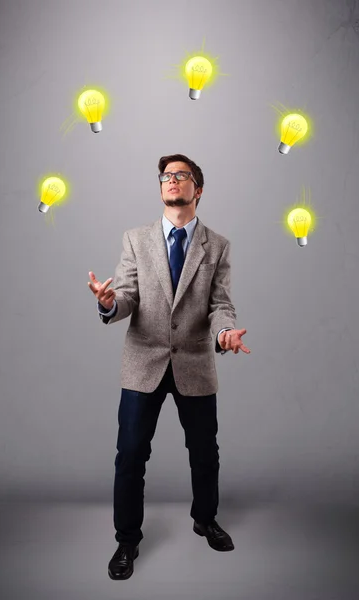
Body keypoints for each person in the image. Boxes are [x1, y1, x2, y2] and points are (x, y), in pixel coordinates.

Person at [87, 153, 250, 581]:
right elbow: (126, 296)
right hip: (144, 362)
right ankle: (127, 538)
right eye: (166, 176)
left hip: (195, 361)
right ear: (161, 188)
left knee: (204, 453)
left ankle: (205, 519)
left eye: (182, 175)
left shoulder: (217, 246)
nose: (172, 180)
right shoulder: (135, 239)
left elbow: (221, 305)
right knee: (130, 456)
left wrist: (223, 334)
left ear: (198, 188)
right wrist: (109, 304)